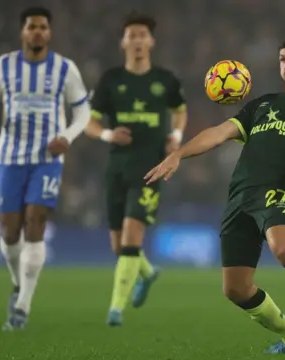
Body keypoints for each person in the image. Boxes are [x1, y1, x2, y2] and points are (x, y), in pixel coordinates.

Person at [145, 34, 285, 355]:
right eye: (282, 59)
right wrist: (178, 154)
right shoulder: (261, 105)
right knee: (235, 289)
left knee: (283, 249)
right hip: (240, 197)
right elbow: (219, 133)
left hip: (277, 190)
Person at [0, 6, 90, 330]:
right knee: (8, 231)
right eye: (32, 27)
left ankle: (22, 306)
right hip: (10, 158)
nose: (37, 32)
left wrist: (67, 137)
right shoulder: (5, 65)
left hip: (47, 159)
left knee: (36, 221)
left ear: (50, 32)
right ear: (23, 32)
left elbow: (83, 112)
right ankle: (18, 282)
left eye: (43, 27)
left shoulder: (64, 69)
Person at [84, 12, 187, 326]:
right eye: (133, 35)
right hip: (117, 166)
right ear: (123, 41)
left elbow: (180, 111)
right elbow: (88, 120)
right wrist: (106, 134)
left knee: (131, 236)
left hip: (150, 168)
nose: (138, 40)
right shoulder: (111, 80)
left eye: (143, 35)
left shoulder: (165, 80)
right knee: (119, 245)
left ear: (151, 42)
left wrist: (176, 136)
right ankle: (147, 271)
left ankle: (116, 309)